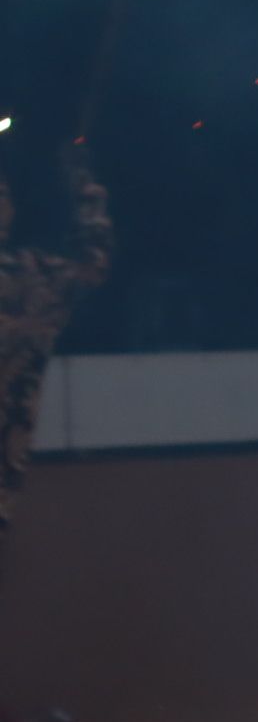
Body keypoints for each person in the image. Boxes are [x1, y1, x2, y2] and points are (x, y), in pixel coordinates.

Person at [0, 142, 111, 560]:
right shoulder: (37, 279)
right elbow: (92, 266)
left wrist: (87, 195)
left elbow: (91, 267)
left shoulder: (32, 278)